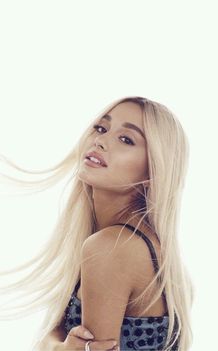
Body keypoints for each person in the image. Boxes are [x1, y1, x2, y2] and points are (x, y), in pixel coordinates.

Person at [0, 96, 194, 351]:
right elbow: (57, 332)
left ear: (152, 172)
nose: (100, 140)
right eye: (101, 128)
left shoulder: (111, 248)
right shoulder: (134, 242)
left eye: (126, 139)